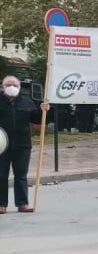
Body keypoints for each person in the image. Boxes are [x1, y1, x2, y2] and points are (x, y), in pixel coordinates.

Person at [1, 76, 49, 213]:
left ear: (19, 87)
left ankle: (22, 204)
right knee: (1, 175)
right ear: (3, 87)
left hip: (22, 145)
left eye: (15, 85)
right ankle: (1, 204)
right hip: (2, 145)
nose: (12, 87)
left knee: (21, 175)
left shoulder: (27, 102)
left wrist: (43, 110)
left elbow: (37, 120)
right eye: (9, 84)